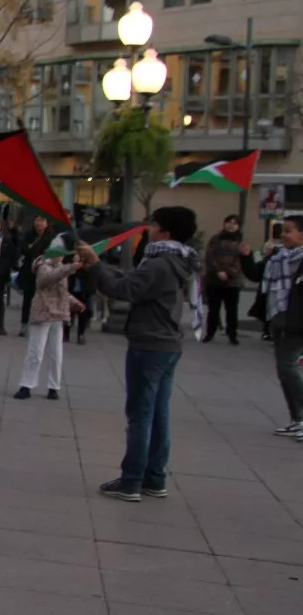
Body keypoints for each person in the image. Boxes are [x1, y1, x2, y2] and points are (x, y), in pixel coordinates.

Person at [79, 206, 199, 502]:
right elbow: (134, 281)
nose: (149, 230)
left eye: (153, 225)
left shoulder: (160, 264)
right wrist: (102, 267)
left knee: (141, 416)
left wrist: (95, 265)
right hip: (167, 345)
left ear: (166, 233)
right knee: (159, 415)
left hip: (150, 346)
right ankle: (154, 478)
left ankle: (132, 480)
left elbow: (125, 289)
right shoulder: (175, 261)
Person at [239, 214, 303, 438]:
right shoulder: (277, 257)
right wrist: (246, 256)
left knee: (288, 366)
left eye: (288, 230)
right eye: (282, 230)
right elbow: (255, 274)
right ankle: (297, 418)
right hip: (276, 316)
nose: (283, 235)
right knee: (283, 369)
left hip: (296, 320)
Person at [16, 247, 82, 400]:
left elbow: (62, 292)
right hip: (42, 312)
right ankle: (26, 385)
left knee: (56, 354)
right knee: (36, 352)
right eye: (59, 252)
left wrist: (74, 302)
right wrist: (72, 267)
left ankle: (53, 387)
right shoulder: (42, 266)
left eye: (63, 252)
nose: (62, 255)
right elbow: (48, 279)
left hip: (58, 314)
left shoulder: (60, 267)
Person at [202, 214, 245, 345]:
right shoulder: (215, 239)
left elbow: (241, 260)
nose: (231, 225)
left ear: (238, 226)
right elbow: (209, 256)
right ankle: (210, 333)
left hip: (232, 282)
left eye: (234, 223)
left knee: (232, 310)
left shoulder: (241, 242)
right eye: (228, 222)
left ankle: (232, 335)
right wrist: (217, 271)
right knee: (213, 309)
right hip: (214, 279)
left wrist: (228, 272)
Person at [16, 214, 56, 337]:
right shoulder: (29, 235)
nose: (39, 223)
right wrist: (32, 249)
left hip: (44, 273)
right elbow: (24, 250)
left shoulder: (51, 237)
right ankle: (24, 325)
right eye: (37, 220)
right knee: (28, 299)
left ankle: (39, 326)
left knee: (42, 300)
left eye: (42, 221)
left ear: (47, 223)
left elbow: (48, 253)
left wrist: (33, 249)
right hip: (29, 272)